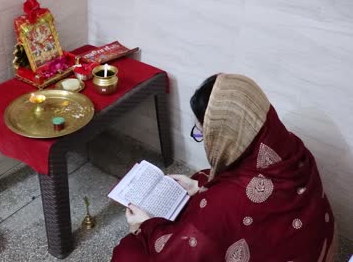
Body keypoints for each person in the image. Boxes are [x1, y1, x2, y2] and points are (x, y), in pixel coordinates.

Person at [111, 73, 336, 261]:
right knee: (203, 177)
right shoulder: (290, 146)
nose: (203, 139)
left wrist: (144, 226)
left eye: (203, 134)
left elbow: (182, 254)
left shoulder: (225, 205)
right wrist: (199, 188)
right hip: (306, 242)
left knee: (128, 253)